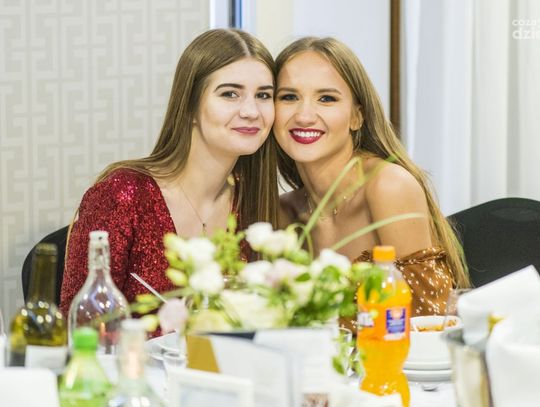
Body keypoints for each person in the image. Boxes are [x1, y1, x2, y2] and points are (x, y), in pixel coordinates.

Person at [60, 29, 279, 316]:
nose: (251, 111)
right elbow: (80, 325)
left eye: (263, 95)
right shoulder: (122, 196)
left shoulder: (255, 202)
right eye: (230, 94)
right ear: (189, 106)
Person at [274, 37, 469, 318]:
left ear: (357, 117)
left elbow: (428, 317)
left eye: (326, 98)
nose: (304, 116)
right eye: (289, 97)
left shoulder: (387, 186)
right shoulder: (284, 213)